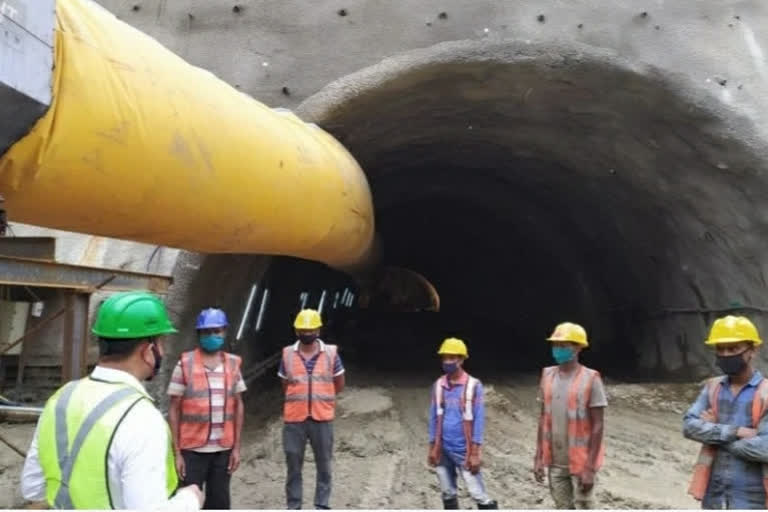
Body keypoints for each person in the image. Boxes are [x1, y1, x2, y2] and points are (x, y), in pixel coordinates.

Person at [20, 291, 203, 510]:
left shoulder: (60, 399)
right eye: (161, 343)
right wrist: (190, 499)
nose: (162, 351)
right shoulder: (142, 419)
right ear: (148, 350)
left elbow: (33, 488)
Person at [683, 315, 768, 509]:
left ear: (752, 350)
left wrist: (714, 432)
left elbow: (765, 448)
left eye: (733, 348)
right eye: (721, 349)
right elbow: (688, 427)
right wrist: (735, 431)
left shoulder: (766, 393)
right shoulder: (712, 388)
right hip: (714, 495)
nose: (726, 354)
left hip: (755, 498)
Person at [168, 308, 246, 509]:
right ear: (199, 334)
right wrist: (177, 453)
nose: (212, 336)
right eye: (207, 332)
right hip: (192, 450)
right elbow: (174, 409)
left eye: (216, 331)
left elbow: (238, 405)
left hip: (223, 449)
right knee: (189, 502)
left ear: (224, 332)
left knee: (219, 502)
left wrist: (236, 447)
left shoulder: (233, 363)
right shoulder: (185, 363)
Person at [534, 322, 607, 509]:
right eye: (555, 345)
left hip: (581, 464)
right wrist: (539, 457)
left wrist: (590, 468)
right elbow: (543, 419)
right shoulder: (547, 375)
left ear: (577, 348)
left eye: (563, 346)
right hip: (556, 463)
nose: (557, 349)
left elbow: (598, 425)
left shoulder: (591, 378)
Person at [278, 309, 345, 509]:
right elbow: (285, 384)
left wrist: (321, 398)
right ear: (296, 330)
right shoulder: (288, 354)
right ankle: (294, 505)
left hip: (322, 417)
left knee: (324, 466)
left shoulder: (331, 354)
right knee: (293, 467)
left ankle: (321, 505)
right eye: (303, 330)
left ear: (318, 329)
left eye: (311, 329)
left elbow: (339, 383)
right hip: (294, 420)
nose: (307, 333)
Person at [428, 337, 498, 509]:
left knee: (477, 494)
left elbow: (479, 420)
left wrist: (475, 452)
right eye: (444, 358)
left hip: (463, 450)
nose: (447, 361)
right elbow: (433, 418)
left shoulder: (474, 386)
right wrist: (432, 447)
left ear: (461, 359)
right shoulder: (439, 385)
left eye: (451, 358)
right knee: (447, 492)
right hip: (443, 448)